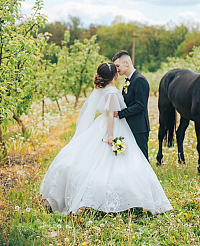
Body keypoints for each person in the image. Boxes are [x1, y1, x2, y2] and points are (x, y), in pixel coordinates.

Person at [40, 62, 172, 215]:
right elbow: (110, 114)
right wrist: (110, 135)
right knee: (113, 161)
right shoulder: (111, 92)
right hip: (112, 127)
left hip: (107, 125)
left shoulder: (107, 90)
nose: (118, 71)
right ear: (113, 75)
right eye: (116, 70)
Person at [112, 51, 150, 160]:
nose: (116, 69)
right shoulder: (129, 81)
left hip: (139, 127)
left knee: (142, 159)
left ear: (127, 63)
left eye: (118, 66)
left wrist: (120, 114)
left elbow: (140, 105)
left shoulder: (139, 80)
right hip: (130, 126)